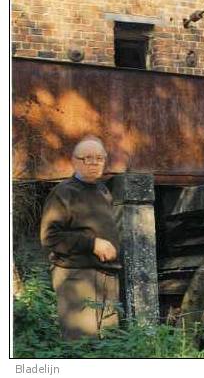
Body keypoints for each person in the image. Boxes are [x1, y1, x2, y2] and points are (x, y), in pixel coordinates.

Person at [40, 135, 122, 340]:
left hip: (107, 275)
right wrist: (92, 243)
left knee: (109, 344)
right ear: (74, 161)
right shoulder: (64, 192)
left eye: (99, 158)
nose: (93, 163)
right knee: (81, 344)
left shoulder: (103, 190)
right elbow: (50, 237)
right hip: (77, 277)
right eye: (87, 158)